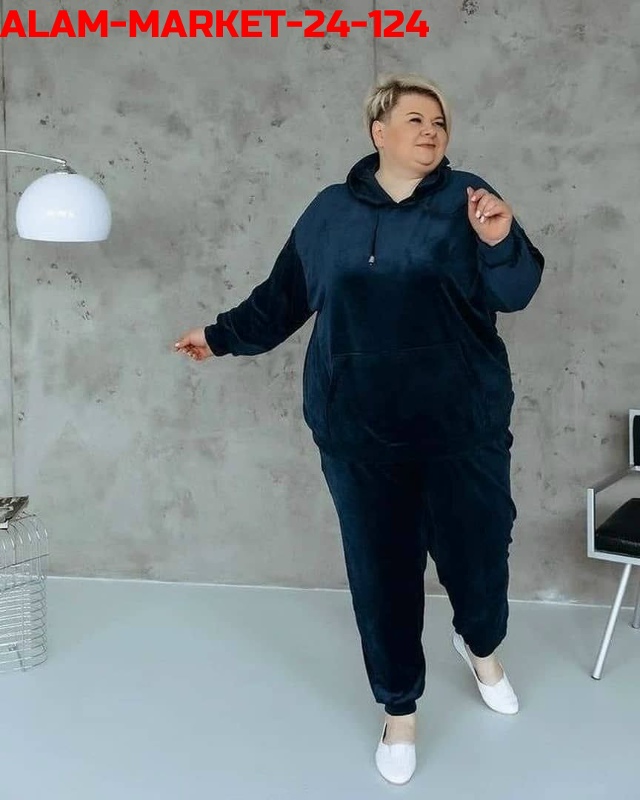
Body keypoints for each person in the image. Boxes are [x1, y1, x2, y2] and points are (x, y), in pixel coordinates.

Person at [175, 74, 544, 785]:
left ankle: (482, 648)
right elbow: (282, 298)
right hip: (361, 434)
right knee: (383, 576)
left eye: (439, 122)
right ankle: (399, 711)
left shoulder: (470, 199)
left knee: (479, 558)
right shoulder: (329, 213)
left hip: (461, 425)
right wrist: (219, 337)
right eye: (416, 119)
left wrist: (499, 239)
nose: (432, 131)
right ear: (379, 132)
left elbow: (516, 291)